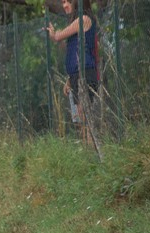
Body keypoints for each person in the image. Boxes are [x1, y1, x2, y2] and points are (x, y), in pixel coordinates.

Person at [47, 0, 98, 145]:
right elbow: (72, 50)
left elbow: (58, 37)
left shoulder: (83, 20)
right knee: (80, 121)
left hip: (85, 75)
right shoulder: (77, 22)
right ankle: (89, 154)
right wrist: (70, 79)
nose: (64, 6)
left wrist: (53, 35)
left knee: (86, 119)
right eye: (63, 2)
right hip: (77, 75)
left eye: (67, 2)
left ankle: (93, 155)